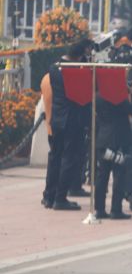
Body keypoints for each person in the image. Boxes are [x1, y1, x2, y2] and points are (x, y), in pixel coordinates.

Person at [41, 38, 94, 211]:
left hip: (57, 119)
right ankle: (60, 198)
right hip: (72, 120)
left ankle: (49, 196)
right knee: (69, 158)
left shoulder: (54, 68)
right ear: (79, 56)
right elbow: (83, 96)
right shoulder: (75, 71)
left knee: (55, 157)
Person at [93, 67, 132, 220]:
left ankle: (99, 209)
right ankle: (116, 209)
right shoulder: (119, 99)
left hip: (103, 140)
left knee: (102, 176)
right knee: (119, 175)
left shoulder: (97, 97)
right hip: (119, 141)